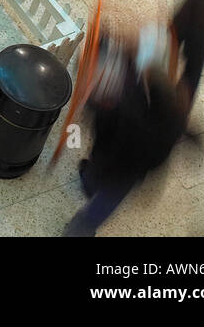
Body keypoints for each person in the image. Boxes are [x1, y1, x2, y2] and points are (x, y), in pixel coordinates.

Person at [63, 70, 191, 236]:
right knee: (103, 206)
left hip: (107, 158)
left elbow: (102, 121)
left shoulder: (129, 109)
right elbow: (159, 160)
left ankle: (86, 196)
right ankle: (82, 228)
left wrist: (94, 104)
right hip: (129, 175)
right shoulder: (173, 124)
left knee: (94, 176)